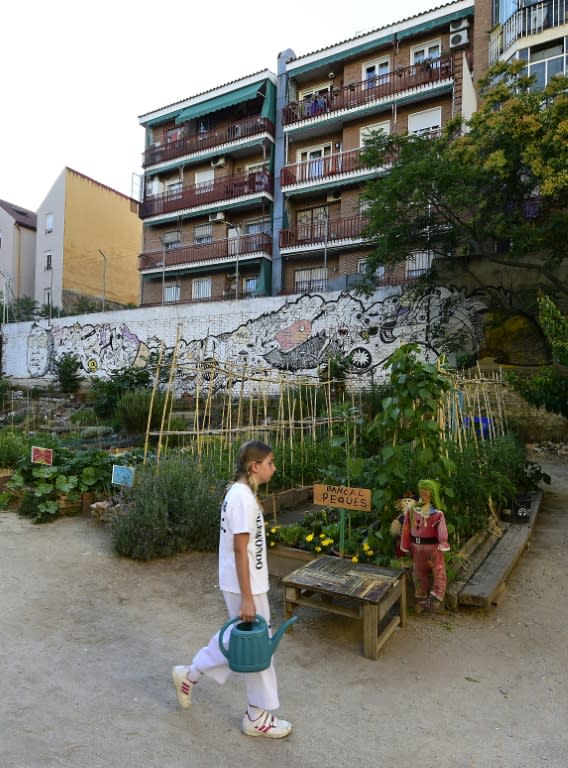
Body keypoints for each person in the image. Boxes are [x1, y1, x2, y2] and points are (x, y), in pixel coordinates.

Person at [171, 440, 292, 739]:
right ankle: (257, 716)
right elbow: (240, 550)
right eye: (270, 463)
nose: (273, 468)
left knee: (239, 640)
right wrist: (248, 598)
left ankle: (190, 674)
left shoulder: (244, 494)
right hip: (244, 586)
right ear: (255, 466)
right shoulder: (241, 498)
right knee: (257, 647)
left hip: (248, 583)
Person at [399, 478, 450, 613]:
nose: (424, 496)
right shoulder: (412, 511)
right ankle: (420, 600)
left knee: (439, 570)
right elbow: (406, 529)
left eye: (427, 493)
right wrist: (405, 545)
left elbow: (442, 530)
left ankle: (436, 599)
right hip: (417, 548)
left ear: (432, 494)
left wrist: (443, 542)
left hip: (433, 549)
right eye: (422, 493)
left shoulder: (438, 514)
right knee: (418, 572)